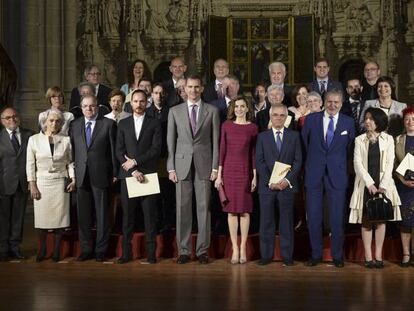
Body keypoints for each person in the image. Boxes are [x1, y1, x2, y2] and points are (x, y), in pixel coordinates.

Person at [167, 75, 220, 264]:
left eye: (197, 87)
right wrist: (171, 167)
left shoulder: (212, 111)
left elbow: (216, 142)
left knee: (204, 208)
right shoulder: (174, 111)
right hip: (181, 165)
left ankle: (202, 250)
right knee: (182, 208)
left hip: (204, 164)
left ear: (202, 88)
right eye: (190, 87)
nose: (193, 90)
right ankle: (183, 250)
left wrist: (215, 167)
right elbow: (170, 141)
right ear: (185, 89)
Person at [301, 90, 355, 268]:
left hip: (337, 176)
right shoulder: (311, 120)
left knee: (337, 217)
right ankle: (315, 255)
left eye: (336, 102)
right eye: (330, 102)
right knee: (314, 216)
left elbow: (349, 150)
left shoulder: (348, 122)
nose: (333, 105)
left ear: (341, 103)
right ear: (324, 102)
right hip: (314, 174)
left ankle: (337, 255)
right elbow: (304, 145)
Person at [349, 107, 401, 268]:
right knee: (366, 221)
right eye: (366, 118)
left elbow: (390, 163)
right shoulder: (359, 140)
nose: (368, 121)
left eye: (371, 119)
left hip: (383, 186)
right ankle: (368, 257)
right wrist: (369, 183)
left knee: (380, 221)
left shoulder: (388, 139)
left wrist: (383, 185)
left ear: (378, 121)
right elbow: (357, 164)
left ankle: (378, 256)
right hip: (366, 185)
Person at [116, 90, 161, 264]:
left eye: (142, 101)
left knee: (150, 216)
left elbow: (156, 150)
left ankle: (151, 254)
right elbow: (119, 151)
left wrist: (135, 161)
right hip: (129, 176)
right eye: (135, 101)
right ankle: (126, 253)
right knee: (127, 217)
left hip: (148, 174)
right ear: (131, 103)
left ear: (147, 103)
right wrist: (133, 170)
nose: (139, 104)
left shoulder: (155, 123)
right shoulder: (123, 123)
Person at [70, 94, 117, 262]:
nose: (89, 109)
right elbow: (73, 151)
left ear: (97, 107)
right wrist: (73, 175)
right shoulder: (74, 125)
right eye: (85, 106)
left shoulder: (108, 124)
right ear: (81, 108)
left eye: (92, 106)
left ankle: (101, 250)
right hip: (81, 175)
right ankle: (86, 249)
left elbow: (113, 152)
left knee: (102, 214)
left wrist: (114, 173)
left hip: (101, 174)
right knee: (83, 215)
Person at [256, 104, 302, 266]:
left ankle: (287, 256)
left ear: (286, 117)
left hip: (287, 187)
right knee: (266, 222)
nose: (278, 118)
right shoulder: (262, 137)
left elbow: (298, 161)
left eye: (282, 115)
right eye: (275, 115)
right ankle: (266, 255)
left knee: (286, 222)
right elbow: (259, 162)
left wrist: (286, 181)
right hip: (267, 187)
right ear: (270, 116)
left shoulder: (294, 136)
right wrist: (271, 182)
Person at [27, 109, 75, 262]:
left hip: (60, 182)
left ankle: (56, 252)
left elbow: (70, 163)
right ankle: (42, 251)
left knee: (60, 221)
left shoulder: (66, 139)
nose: (54, 123)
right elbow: (30, 164)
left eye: (58, 121)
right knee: (42, 220)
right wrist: (32, 185)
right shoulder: (34, 140)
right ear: (45, 122)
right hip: (42, 183)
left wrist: (73, 180)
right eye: (51, 120)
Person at [214, 96, 258, 264]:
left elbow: (253, 154)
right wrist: (219, 175)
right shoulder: (226, 125)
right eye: (237, 106)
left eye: (242, 106)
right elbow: (222, 151)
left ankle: (243, 247)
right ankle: (234, 248)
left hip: (245, 171)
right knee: (232, 211)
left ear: (247, 109)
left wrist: (255, 175)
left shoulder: (253, 128)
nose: (239, 109)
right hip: (229, 171)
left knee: (245, 211)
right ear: (233, 109)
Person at [0, 108, 34, 261]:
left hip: (22, 184)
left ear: (18, 117)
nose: (11, 120)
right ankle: (2, 249)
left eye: (14, 116)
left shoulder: (30, 135)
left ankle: (15, 247)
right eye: (7, 118)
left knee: (18, 218)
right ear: (2, 121)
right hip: (3, 185)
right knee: (3, 219)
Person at [395, 107, 414, 267]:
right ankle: (406, 254)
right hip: (404, 187)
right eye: (407, 119)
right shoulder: (398, 139)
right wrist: (402, 180)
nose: (410, 122)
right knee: (406, 222)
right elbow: (394, 164)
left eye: (413, 119)